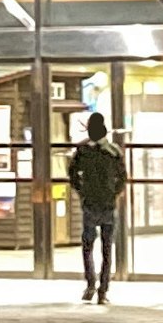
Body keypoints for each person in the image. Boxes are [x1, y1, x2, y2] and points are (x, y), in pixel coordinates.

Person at [65, 112, 128, 303]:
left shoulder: (83, 150)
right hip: (108, 204)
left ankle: (91, 284)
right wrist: (114, 192)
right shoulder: (113, 151)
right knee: (107, 248)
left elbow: (73, 174)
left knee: (88, 246)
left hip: (90, 203)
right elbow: (122, 177)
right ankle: (103, 290)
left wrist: (82, 192)